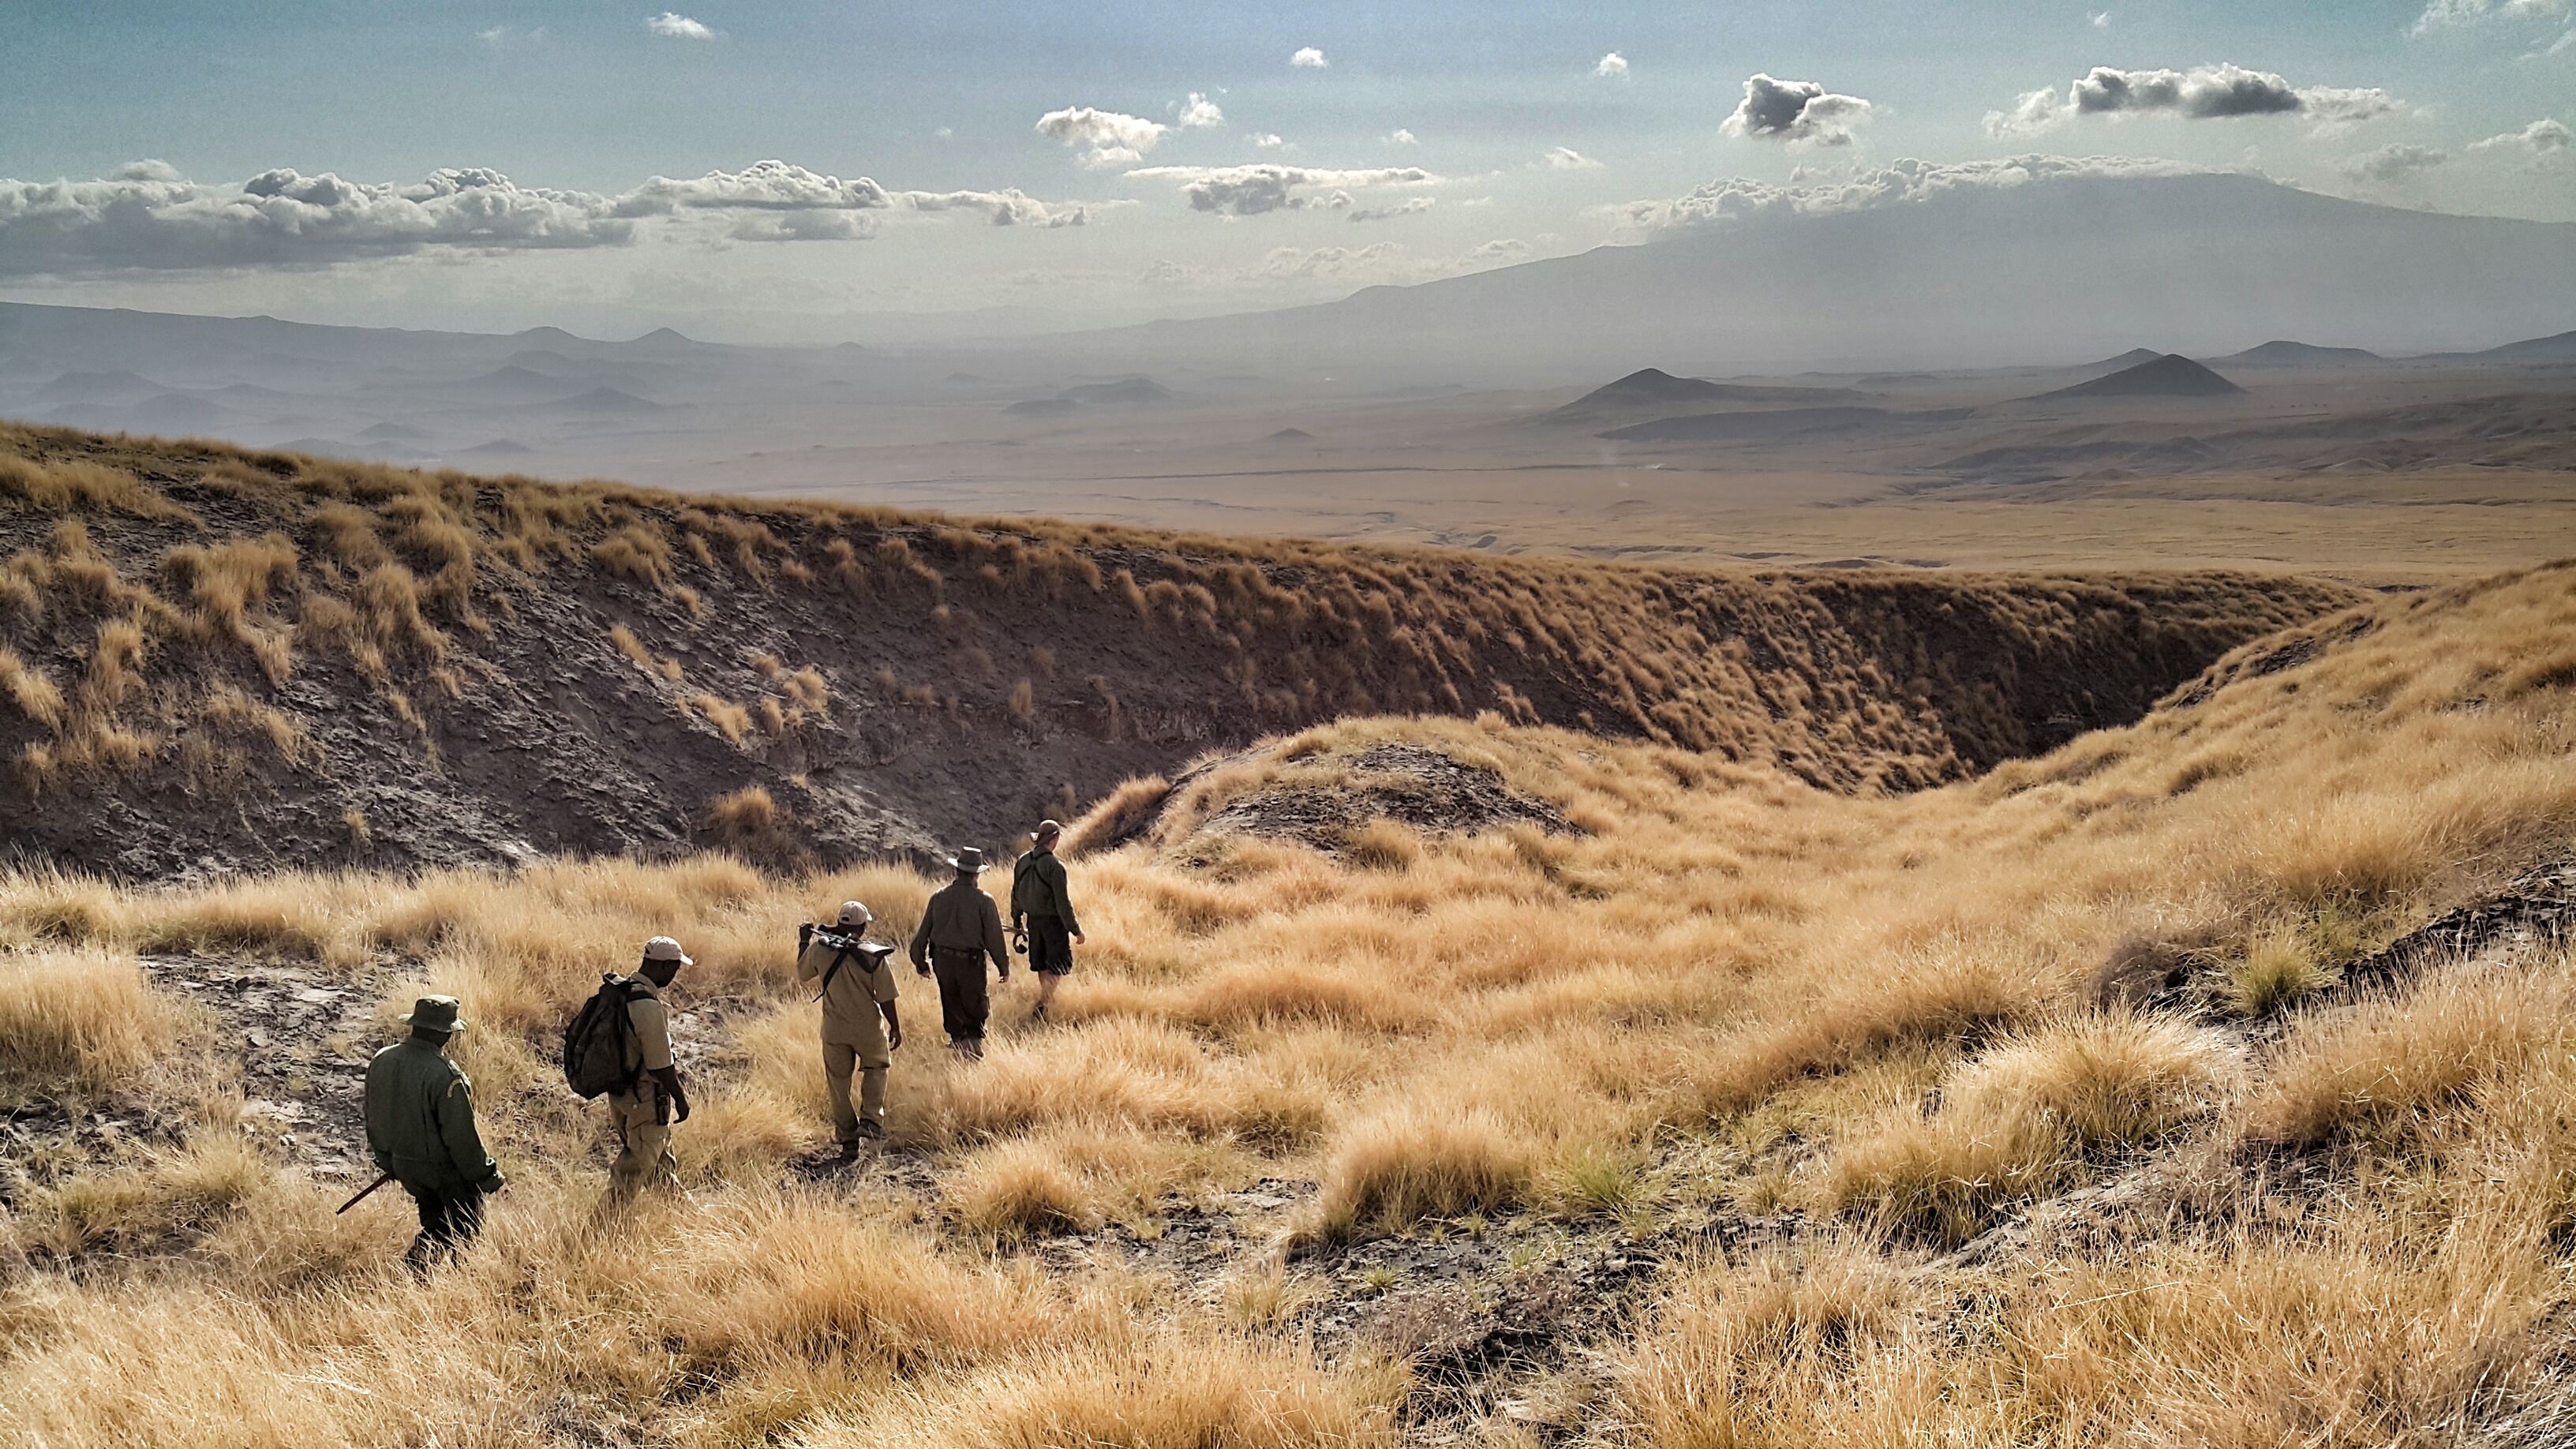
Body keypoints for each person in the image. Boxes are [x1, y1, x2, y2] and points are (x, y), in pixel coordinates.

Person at [361, 994, 505, 1276]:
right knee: (464, 1234)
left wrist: (388, 1161)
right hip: (443, 1172)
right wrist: (487, 1176)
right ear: (443, 1033)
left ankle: (415, 1281)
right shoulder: (445, 1075)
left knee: (435, 1225)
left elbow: (373, 1117)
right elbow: (461, 1139)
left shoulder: (382, 1060)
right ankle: (450, 1286)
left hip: (405, 1167)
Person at [797, 900, 902, 1152]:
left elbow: (803, 974)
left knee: (838, 1082)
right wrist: (895, 1026)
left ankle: (847, 1138)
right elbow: (886, 995)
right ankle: (871, 1119)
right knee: (877, 1067)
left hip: (834, 1029)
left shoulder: (819, 948)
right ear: (863, 926)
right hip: (867, 1026)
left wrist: (803, 941)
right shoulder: (872, 954)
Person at [607, 935, 692, 1199]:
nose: (675, 974)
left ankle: (684, 1223)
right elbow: (660, 1067)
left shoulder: (623, 992)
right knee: (630, 1176)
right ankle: (596, 1232)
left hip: (621, 1096)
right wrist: (680, 1098)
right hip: (645, 1102)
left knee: (661, 1170)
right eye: (675, 968)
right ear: (664, 966)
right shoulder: (648, 1007)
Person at [908, 845, 1012, 1059]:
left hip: (942, 960)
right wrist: (1004, 967)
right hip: (970, 963)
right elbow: (994, 938)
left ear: (957, 871)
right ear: (977, 874)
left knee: (951, 1000)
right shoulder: (985, 901)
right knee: (975, 1006)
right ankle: (972, 1053)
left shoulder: (939, 896)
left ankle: (957, 1044)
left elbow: (923, 931)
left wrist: (920, 962)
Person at [1009, 819, 1086, 1023]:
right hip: (1053, 925)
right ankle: (1043, 1005)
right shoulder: (1055, 867)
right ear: (1055, 840)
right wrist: (1076, 930)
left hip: (1033, 922)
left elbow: (1015, 893)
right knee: (1057, 966)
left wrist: (1017, 919)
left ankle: (1045, 1002)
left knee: (1042, 963)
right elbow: (1063, 903)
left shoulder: (1023, 861)